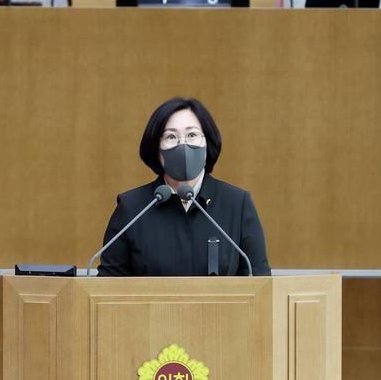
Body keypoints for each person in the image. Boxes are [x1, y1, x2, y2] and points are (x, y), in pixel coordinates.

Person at [97, 97, 270, 276]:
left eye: (192, 135)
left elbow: (260, 279)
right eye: (171, 137)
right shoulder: (132, 208)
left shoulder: (237, 204)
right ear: (156, 149)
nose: (183, 145)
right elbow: (108, 283)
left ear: (207, 143)